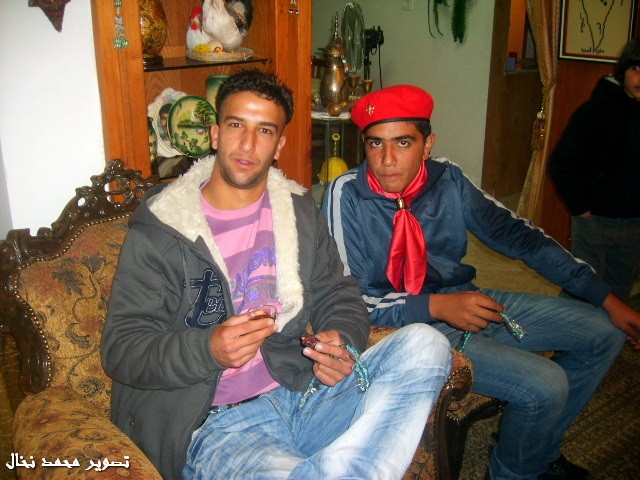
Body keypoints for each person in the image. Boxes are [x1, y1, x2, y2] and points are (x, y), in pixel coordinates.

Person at [101, 69, 451, 480]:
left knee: (426, 344)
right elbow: (121, 349)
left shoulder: (298, 210)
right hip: (219, 425)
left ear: (279, 144)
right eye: (236, 125)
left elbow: (338, 294)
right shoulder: (163, 228)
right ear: (215, 133)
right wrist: (207, 349)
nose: (248, 144)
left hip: (302, 393)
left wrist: (341, 341)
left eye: (264, 130)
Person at [323, 84, 640, 480]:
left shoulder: (448, 179)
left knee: (603, 331)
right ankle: (514, 473)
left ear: (427, 145)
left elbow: (521, 237)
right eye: (375, 143)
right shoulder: (346, 194)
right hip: (409, 329)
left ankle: (534, 453)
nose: (387, 160)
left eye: (403, 142)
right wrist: (436, 306)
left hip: (466, 299)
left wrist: (606, 297)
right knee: (545, 384)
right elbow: (348, 301)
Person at [549, 37, 640, 302]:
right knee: (581, 291)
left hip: (634, 224)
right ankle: (567, 329)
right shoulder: (595, 112)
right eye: (636, 69)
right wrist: (581, 209)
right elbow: (561, 163)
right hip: (593, 221)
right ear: (623, 70)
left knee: (618, 294)